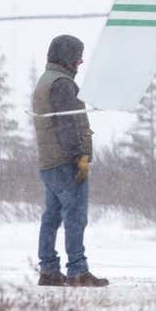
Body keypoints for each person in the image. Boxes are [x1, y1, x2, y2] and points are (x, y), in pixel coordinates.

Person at [32, 35, 108, 287]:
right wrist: (80, 157)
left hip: (49, 162)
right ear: (66, 56)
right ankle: (77, 270)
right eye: (77, 56)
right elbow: (68, 124)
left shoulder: (46, 81)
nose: (80, 61)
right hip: (66, 162)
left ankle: (49, 270)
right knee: (75, 216)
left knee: (52, 217)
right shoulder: (63, 84)